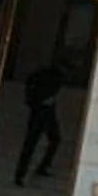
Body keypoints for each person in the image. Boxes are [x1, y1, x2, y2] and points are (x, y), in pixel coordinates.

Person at [14, 55, 68, 186]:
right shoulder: (55, 76)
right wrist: (34, 100)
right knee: (34, 142)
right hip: (42, 110)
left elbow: (30, 80)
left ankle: (32, 170)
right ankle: (23, 173)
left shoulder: (45, 73)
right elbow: (34, 83)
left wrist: (30, 99)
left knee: (46, 140)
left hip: (44, 109)